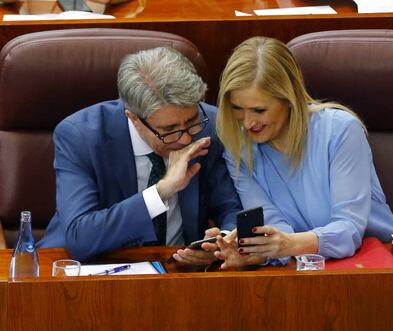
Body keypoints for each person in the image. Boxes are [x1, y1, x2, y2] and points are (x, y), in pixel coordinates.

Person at [214, 36, 393, 269]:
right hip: (305, 268)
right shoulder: (239, 149)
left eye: (259, 110)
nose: (248, 122)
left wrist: (287, 245)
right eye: (237, 109)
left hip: (376, 263)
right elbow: (274, 226)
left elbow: (349, 229)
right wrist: (259, 251)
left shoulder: (340, 129)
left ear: (289, 98)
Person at [38, 47, 242, 263]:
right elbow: (81, 238)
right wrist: (162, 190)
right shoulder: (80, 137)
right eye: (170, 130)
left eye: (192, 121)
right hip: (91, 268)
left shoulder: (211, 125)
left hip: (178, 268)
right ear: (133, 118)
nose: (185, 139)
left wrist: (222, 244)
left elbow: (231, 208)